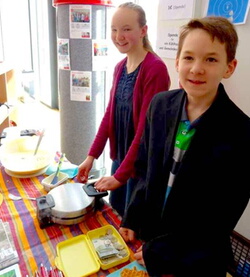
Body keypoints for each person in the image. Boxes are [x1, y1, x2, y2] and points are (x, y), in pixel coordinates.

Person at [119, 16, 250, 277]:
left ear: (229, 67)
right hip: (153, 237)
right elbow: (146, 168)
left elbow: (219, 220)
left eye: (211, 59)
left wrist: (158, 252)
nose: (196, 68)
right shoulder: (160, 105)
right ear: (177, 61)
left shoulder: (242, 133)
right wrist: (132, 215)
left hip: (196, 258)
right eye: (189, 57)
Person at [76, 2, 171, 217]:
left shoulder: (155, 69)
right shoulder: (120, 67)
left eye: (127, 29)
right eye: (114, 29)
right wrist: (92, 156)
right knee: (115, 213)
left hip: (139, 166)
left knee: (131, 222)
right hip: (120, 158)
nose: (119, 36)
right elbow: (110, 114)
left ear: (143, 30)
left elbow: (145, 132)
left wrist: (121, 176)